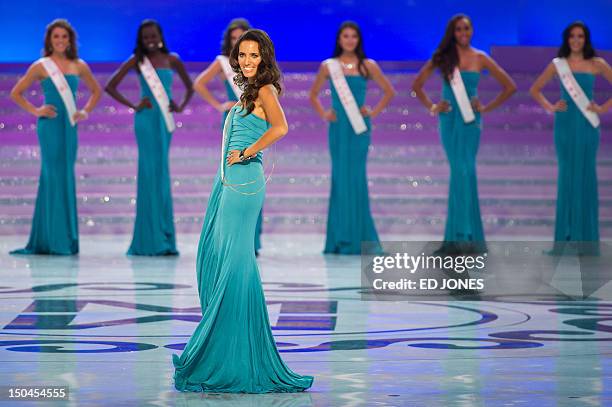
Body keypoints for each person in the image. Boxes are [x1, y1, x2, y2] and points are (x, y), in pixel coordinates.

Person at [173, 29, 313, 393]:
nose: (248, 62)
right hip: (229, 181)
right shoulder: (247, 93)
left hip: (245, 182)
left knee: (236, 263)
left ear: (264, 58)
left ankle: (233, 353)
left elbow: (281, 127)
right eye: (243, 56)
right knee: (226, 260)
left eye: (254, 56)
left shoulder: (266, 90)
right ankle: (230, 346)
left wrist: (249, 151)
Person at [412, 14, 516, 254]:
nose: (463, 33)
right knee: (459, 173)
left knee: (465, 172)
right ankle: (458, 237)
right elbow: (417, 85)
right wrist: (432, 106)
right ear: (453, 32)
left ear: (472, 31)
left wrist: (486, 107)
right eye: (459, 29)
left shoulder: (481, 58)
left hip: (470, 122)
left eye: (467, 29)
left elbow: (509, 86)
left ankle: (465, 236)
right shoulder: (442, 58)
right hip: (449, 121)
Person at [10, 19, 101, 255]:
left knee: (65, 177)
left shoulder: (79, 65)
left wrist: (85, 111)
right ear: (49, 41)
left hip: (69, 126)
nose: (60, 41)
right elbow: (16, 93)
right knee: (51, 176)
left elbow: (96, 91)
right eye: (55, 37)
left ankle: (65, 239)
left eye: (64, 37)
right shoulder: (41, 66)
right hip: (49, 126)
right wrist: (36, 110)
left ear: (70, 40)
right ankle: (51, 239)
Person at [105, 19, 193, 256]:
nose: (150, 41)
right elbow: (110, 86)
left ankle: (163, 236)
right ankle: (148, 239)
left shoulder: (172, 60)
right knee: (148, 173)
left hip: (164, 122)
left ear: (160, 36)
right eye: (146, 38)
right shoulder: (137, 61)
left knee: (161, 174)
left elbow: (190, 87)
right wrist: (134, 105)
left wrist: (180, 104)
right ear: (140, 40)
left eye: (153, 36)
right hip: (145, 121)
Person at [310, 21, 396, 255]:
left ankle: (360, 236)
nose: (349, 40)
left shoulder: (368, 66)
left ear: (358, 40)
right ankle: (341, 238)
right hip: (338, 129)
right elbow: (314, 95)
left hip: (359, 129)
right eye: (345, 36)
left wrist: (373, 111)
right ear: (339, 40)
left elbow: (389, 91)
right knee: (340, 178)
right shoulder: (329, 66)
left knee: (357, 178)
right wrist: (325, 113)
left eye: (353, 36)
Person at [529, 21, 611, 255]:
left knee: (585, 176)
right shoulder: (558, 65)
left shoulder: (597, 64)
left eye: (581, 36)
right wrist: (551, 106)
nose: (576, 40)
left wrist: (603, 108)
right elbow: (535, 89)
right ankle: (565, 239)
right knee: (567, 177)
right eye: (572, 36)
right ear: (567, 39)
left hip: (587, 125)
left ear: (586, 39)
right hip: (564, 125)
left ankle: (585, 239)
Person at [193, 18, 264, 255]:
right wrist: (219, 104)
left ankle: (250, 239)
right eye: (234, 38)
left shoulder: (256, 64)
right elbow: (199, 83)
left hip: (254, 123)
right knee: (232, 173)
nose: (238, 42)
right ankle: (233, 236)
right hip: (234, 123)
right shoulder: (223, 63)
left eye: (242, 37)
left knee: (253, 171)